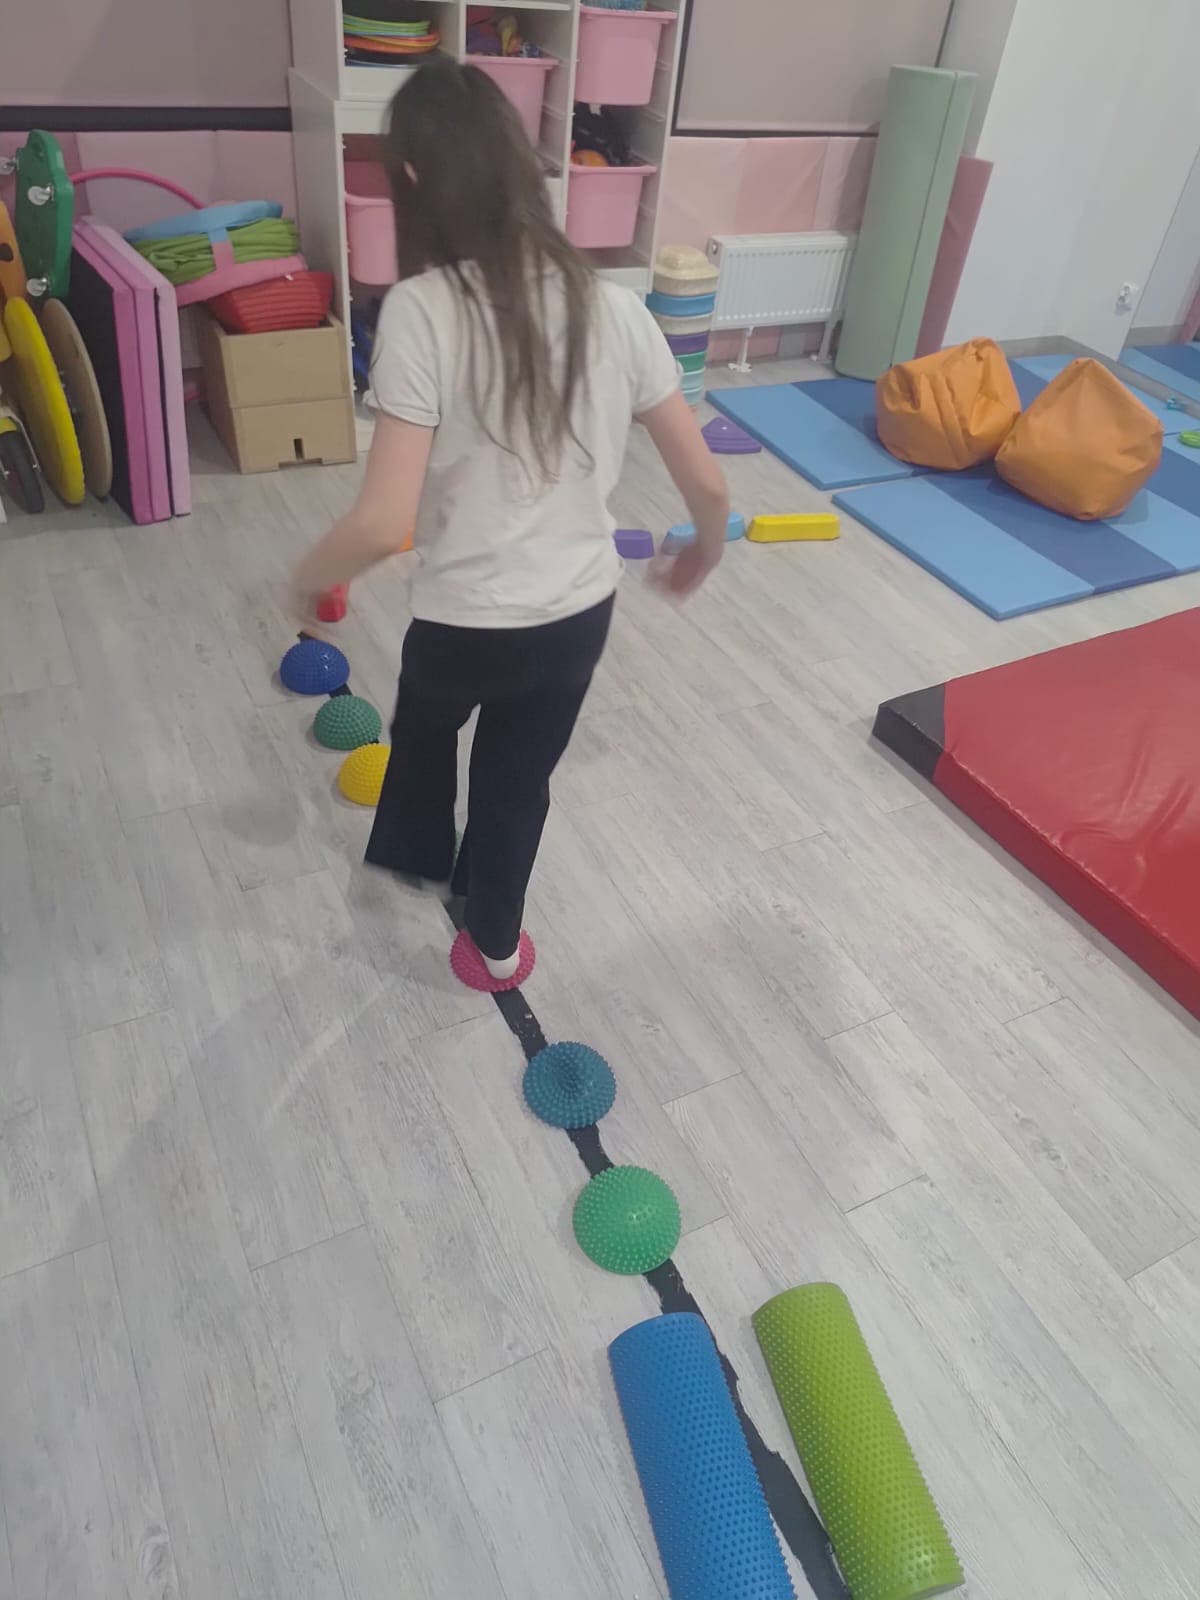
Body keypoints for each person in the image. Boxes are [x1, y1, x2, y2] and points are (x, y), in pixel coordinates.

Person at [292, 59, 729, 980]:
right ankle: (495, 942)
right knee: (516, 782)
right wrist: (703, 550)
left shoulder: (420, 312)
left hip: (464, 621)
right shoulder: (617, 307)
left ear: (414, 178)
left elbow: (381, 523)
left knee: (425, 729)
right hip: (577, 617)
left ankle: (418, 855)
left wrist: (305, 580)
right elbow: (709, 487)